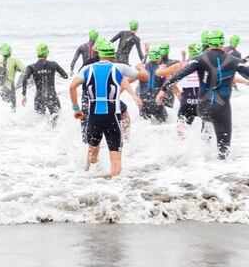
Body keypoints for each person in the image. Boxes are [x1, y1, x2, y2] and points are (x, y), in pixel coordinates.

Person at [156, 30, 249, 159]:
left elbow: (180, 74)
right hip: (222, 108)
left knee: (206, 126)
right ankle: (217, 171)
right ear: (223, 42)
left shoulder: (198, 59)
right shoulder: (234, 61)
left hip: (203, 107)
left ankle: (199, 161)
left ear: (208, 43)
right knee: (223, 149)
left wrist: (163, 89)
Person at [69, 40, 149, 177]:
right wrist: (141, 67)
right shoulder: (120, 68)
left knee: (92, 152)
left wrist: (76, 108)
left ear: (99, 53)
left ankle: (86, 181)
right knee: (116, 157)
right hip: (112, 117)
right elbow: (144, 76)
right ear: (113, 54)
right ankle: (115, 187)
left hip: (94, 117)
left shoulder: (87, 69)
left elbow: (72, 87)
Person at [156, 43, 202, 137]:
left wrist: (161, 67)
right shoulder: (207, 66)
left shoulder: (181, 65)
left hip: (186, 103)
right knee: (206, 130)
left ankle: (181, 149)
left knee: (181, 131)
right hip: (202, 102)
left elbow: (160, 74)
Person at [21, 44, 68, 126]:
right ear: (47, 53)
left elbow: (24, 79)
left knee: (39, 122)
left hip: (39, 97)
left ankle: (42, 137)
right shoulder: (53, 64)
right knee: (56, 120)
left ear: (37, 53)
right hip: (52, 96)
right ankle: (53, 136)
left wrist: (24, 95)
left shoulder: (31, 67)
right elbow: (65, 76)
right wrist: (56, 73)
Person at [138, 48, 167, 123]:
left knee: (144, 124)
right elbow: (167, 84)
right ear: (159, 58)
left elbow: (138, 87)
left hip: (144, 102)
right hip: (156, 102)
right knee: (164, 123)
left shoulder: (142, 70)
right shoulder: (162, 69)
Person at [0, 43, 25, 111]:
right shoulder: (14, 61)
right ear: (10, 52)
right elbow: (25, 71)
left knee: (2, 111)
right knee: (12, 110)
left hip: (0, 90)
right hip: (10, 88)